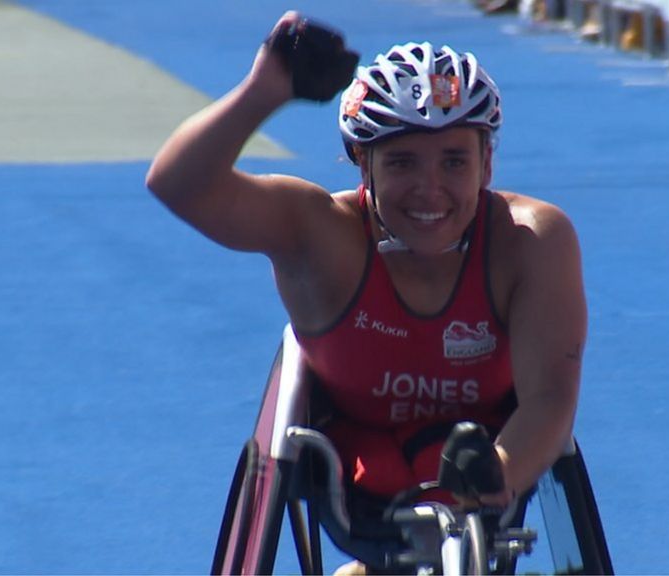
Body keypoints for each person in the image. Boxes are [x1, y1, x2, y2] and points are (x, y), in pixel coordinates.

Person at [147, 9, 587, 569]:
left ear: (487, 164)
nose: (430, 191)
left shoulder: (531, 240)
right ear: (363, 163)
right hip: (354, 482)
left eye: (454, 161)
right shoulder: (321, 236)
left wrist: (493, 475)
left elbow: (551, 399)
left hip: (491, 466)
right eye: (402, 162)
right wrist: (264, 91)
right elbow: (178, 184)